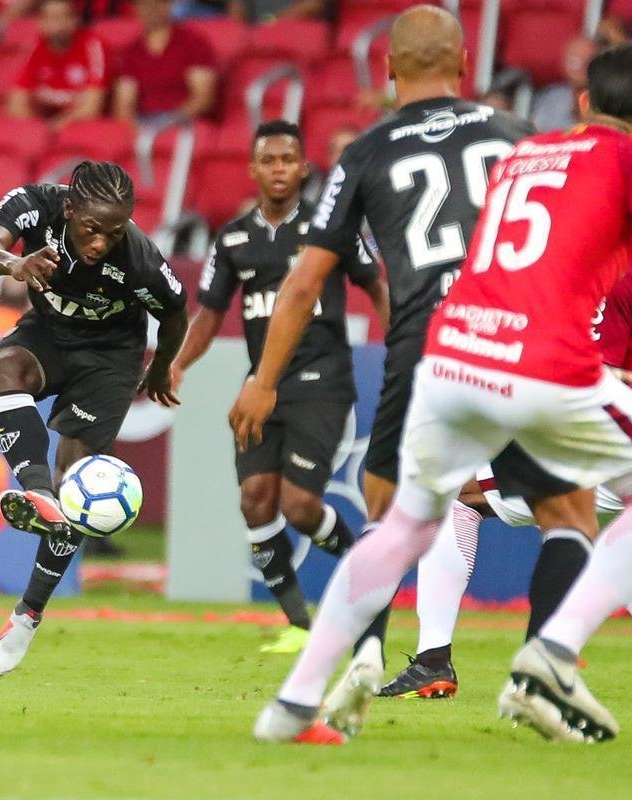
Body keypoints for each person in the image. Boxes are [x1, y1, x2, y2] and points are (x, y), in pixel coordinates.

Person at [246, 41, 632, 746]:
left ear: (584, 103)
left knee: (412, 521)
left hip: (454, 351)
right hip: (540, 363)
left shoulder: (528, 150)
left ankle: (292, 706)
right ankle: (550, 658)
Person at [225, 7, 533, 709]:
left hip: (429, 341)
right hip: (520, 336)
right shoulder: (517, 134)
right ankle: (535, 656)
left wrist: (263, 381)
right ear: (464, 65)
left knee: (385, 496)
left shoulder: (366, 151)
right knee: (556, 498)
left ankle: (359, 660)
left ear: (387, 68)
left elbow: (304, 281)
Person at [377, 227, 632, 705]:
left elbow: (594, 377)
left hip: (615, 451)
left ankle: (433, 659)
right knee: (604, 545)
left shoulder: (619, 268)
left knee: (457, 491)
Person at [170, 120, 387, 654]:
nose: (279, 170)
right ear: (253, 169)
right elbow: (208, 315)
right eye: (269, 161)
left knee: (300, 507)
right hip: (259, 387)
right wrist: (176, 365)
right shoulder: (235, 237)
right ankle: (298, 625)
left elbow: (375, 283)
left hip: (321, 381)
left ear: (304, 167)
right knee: (254, 499)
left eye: (288, 160)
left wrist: (402, 342)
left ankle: (371, 569)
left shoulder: (328, 226)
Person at [0, 161, 188, 677]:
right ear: (68, 209)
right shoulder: (33, 204)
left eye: (114, 232)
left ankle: (26, 618)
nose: (99, 244)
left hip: (110, 359)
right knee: (4, 369)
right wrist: (12, 265)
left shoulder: (138, 258)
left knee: (78, 483)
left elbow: (175, 313)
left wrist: (160, 368)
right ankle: (36, 493)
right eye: (91, 229)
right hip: (48, 334)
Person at [8, 0, 110, 131]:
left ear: (75, 20)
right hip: (46, 125)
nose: (58, 25)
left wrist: (54, 128)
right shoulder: (33, 47)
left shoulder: (93, 45)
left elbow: (92, 107)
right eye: (51, 18)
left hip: (83, 128)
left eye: (64, 17)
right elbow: (16, 103)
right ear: (40, 22)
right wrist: (38, 130)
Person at [113, 0, 217, 125]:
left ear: (168, 5)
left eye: (155, 3)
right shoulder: (131, 52)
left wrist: (168, 122)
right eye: (141, 5)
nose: (149, 9)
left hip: (186, 122)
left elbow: (203, 98)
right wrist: (133, 128)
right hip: (145, 123)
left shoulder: (193, 43)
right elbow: (124, 104)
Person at [531, 36, 595, 132]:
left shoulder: (605, 99)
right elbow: (536, 132)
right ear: (563, 62)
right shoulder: (552, 97)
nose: (581, 66)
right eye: (575, 60)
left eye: (589, 61)